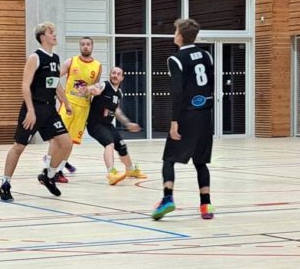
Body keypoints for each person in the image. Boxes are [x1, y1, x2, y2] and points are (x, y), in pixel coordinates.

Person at [0, 22, 72, 202]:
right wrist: (30, 110)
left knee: (66, 144)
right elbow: (25, 85)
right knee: (19, 147)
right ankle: (5, 183)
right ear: (42, 36)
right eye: (51, 32)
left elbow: (55, 83)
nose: (54, 35)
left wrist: (66, 102)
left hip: (49, 110)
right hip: (34, 108)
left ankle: (49, 176)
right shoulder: (35, 57)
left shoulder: (55, 58)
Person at [152, 18, 215, 221]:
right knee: (201, 162)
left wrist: (174, 121)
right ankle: (206, 205)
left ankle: (167, 199)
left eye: (175, 32)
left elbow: (177, 93)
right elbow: (211, 85)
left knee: (169, 159)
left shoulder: (176, 59)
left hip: (187, 115)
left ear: (180, 36)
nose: (174, 35)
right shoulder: (207, 55)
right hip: (205, 115)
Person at [44, 36, 102, 181]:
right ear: (79, 46)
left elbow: (95, 86)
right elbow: (54, 78)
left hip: (84, 108)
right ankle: (46, 169)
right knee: (57, 138)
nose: (85, 46)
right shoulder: (71, 61)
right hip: (68, 105)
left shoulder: (97, 66)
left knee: (70, 142)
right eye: (83, 44)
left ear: (92, 46)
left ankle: (59, 171)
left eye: (88, 44)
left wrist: (95, 90)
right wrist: (56, 95)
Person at [86, 67, 148, 185]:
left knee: (122, 146)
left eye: (118, 74)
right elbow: (92, 88)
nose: (115, 75)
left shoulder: (119, 93)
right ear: (110, 75)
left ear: (122, 78)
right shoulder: (104, 85)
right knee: (109, 143)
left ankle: (130, 170)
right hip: (95, 124)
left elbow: (117, 111)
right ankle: (111, 174)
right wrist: (91, 89)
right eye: (113, 73)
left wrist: (127, 123)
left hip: (107, 125)